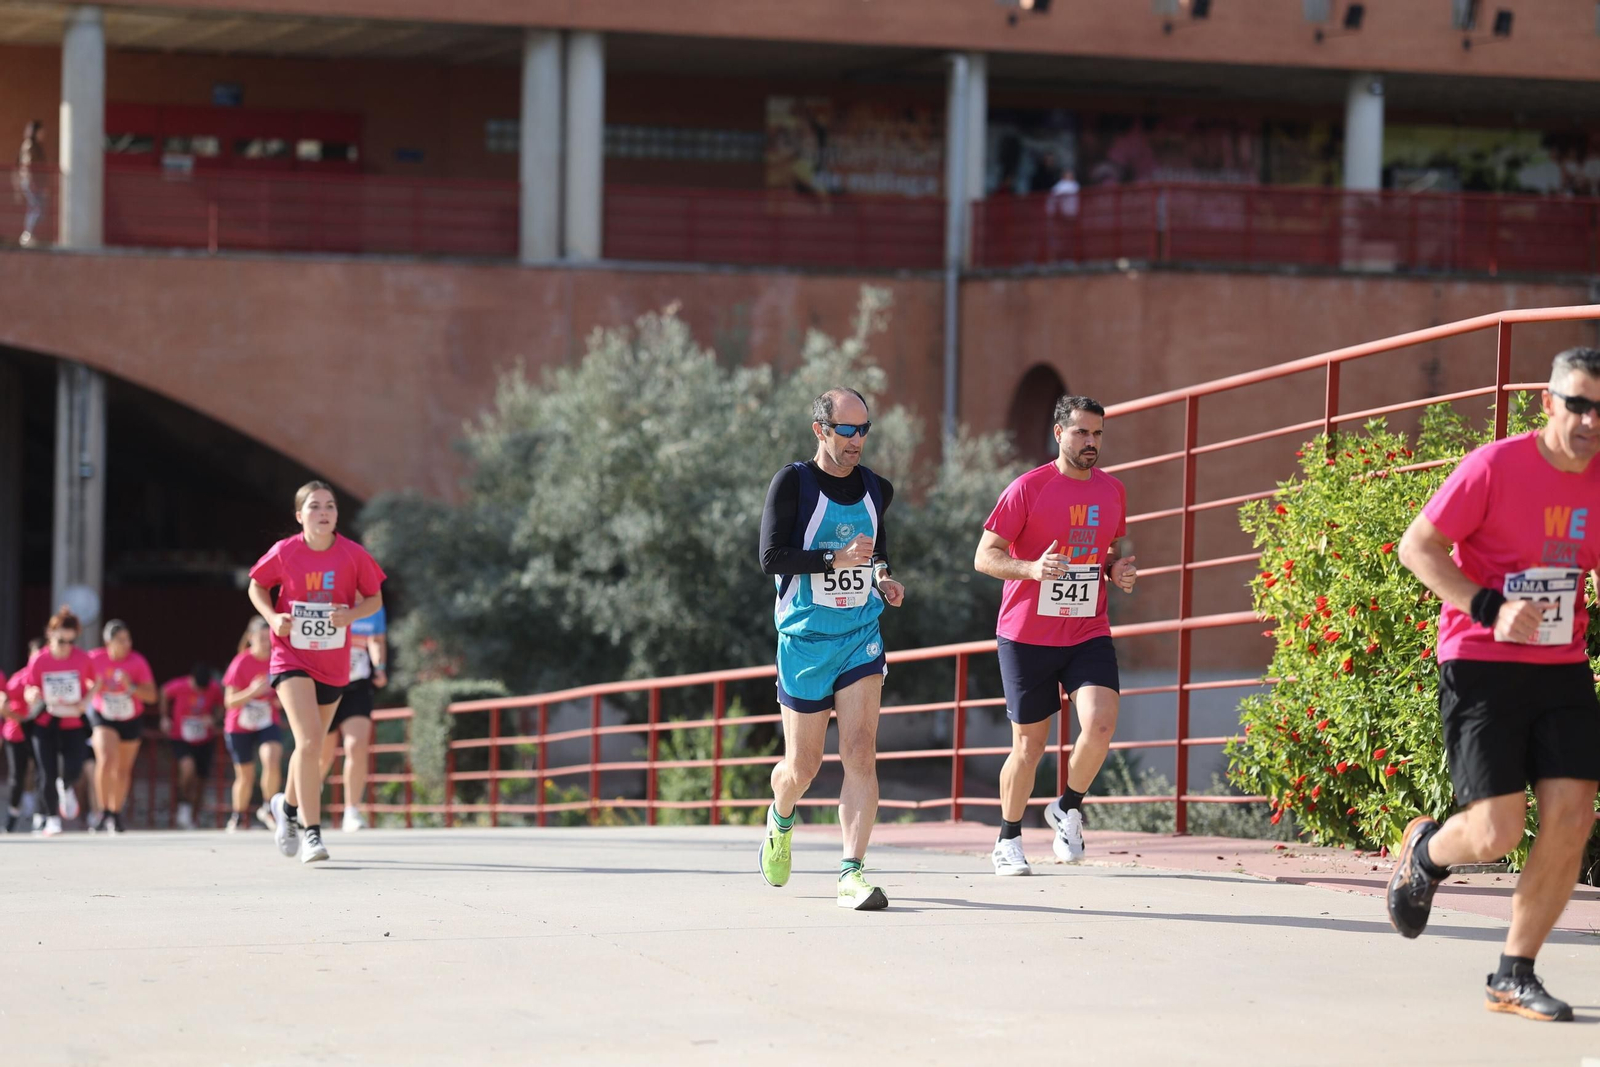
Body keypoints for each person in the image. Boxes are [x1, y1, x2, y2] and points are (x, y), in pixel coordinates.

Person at [1389, 346, 1600, 1022]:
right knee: (1496, 832)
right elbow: (1416, 546)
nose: (1591, 420)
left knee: (1574, 815)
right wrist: (1489, 607)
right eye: (1579, 404)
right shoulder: (1494, 466)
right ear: (1549, 403)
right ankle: (1425, 853)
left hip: (1563, 664)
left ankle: (1513, 972)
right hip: (1481, 659)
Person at [756, 388, 907, 911]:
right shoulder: (793, 483)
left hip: (859, 635)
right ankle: (780, 816)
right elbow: (771, 558)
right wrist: (833, 559)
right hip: (804, 641)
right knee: (802, 767)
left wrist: (884, 579)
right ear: (821, 430)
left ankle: (852, 873)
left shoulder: (875, 489)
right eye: (847, 430)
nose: (857, 440)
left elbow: (877, 551)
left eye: (864, 430)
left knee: (861, 751)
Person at [974, 395, 1138, 875]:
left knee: (1102, 723)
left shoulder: (1113, 491)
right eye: (1082, 432)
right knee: (1028, 748)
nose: (1091, 443)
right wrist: (1030, 567)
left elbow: (1107, 552)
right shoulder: (1028, 488)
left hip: (1087, 628)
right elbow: (985, 555)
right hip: (1027, 635)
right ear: (1058, 433)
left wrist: (1116, 570)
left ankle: (1068, 807)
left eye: (1098, 434)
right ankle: (1008, 838)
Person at [248, 480, 385, 864]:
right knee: (309, 742)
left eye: (330, 506)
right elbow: (256, 587)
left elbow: (374, 598)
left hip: (333, 664)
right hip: (290, 658)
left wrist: (351, 614)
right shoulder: (285, 552)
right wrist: (273, 617)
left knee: (309, 747)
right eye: (314, 506)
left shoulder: (353, 555)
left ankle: (286, 809)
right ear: (299, 516)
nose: (323, 512)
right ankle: (312, 833)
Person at [22, 607, 96, 835]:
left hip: (73, 721)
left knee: (74, 768)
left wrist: (87, 700)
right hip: (46, 721)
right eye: (61, 640)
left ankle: (66, 786)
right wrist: (32, 694)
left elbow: (95, 683)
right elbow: (29, 686)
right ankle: (52, 817)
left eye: (70, 641)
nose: (65, 646)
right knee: (46, 771)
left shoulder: (83, 659)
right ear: (50, 634)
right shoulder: (39, 659)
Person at [321, 602, 386, 832]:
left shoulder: (374, 605)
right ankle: (306, 795)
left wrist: (380, 666)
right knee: (322, 755)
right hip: (326, 682)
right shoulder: (331, 596)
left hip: (357, 685)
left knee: (357, 745)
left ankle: (352, 810)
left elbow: (376, 641)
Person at [86, 621, 156, 834]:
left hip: (130, 717)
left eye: (129, 639)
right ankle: (103, 810)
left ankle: (115, 814)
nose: (127, 644)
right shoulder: (94, 658)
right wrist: (92, 686)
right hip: (104, 715)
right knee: (106, 759)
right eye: (121, 640)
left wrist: (131, 686)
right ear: (109, 642)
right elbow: (81, 682)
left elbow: (152, 695)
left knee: (123, 769)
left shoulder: (137, 662)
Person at [222, 618, 284, 833]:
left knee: (272, 758)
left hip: (267, 719)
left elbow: (285, 692)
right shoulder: (240, 662)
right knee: (245, 775)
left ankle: (268, 807)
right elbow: (228, 701)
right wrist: (252, 692)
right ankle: (238, 816)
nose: (266, 644)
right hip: (239, 724)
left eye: (269, 639)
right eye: (260, 639)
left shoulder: (278, 660)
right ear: (250, 639)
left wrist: (280, 700)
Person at [160, 664, 223, 830]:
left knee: (201, 779)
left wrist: (213, 719)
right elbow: (164, 692)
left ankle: (194, 815)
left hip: (204, 738)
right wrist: (164, 717)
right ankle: (183, 805)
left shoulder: (214, 689)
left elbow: (221, 708)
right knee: (187, 769)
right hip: (181, 737)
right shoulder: (179, 686)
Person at [3, 639, 41, 832]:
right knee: (17, 776)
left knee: (41, 773)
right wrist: (16, 716)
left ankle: (40, 814)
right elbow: (4, 705)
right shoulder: (18, 679)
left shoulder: (48, 680)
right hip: (16, 733)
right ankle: (13, 814)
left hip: (39, 734)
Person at [13, 120, 45, 247]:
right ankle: (27, 235)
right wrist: (32, 182)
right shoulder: (29, 145)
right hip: (31, 181)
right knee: (37, 208)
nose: (43, 134)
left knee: (35, 208)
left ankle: (29, 234)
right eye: (41, 131)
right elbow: (27, 165)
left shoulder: (37, 146)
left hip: (35, 181)